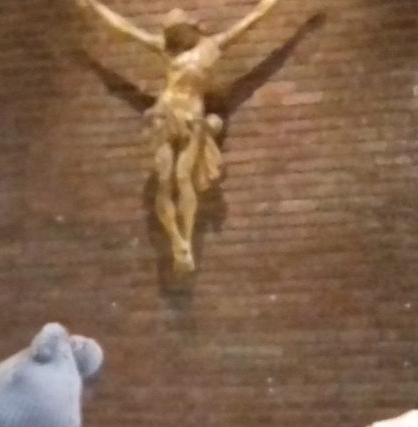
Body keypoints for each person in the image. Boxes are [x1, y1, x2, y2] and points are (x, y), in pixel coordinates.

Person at [75, 0, 285, 273]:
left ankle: (185, 238)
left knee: (184, 177)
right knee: (164, 180)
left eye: (178, 30)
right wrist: (93, 7)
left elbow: (252, 20)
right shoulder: (166, 51)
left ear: (190, 29)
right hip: (165, 115)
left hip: (192, 119)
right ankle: (177, 242)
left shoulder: (211, 48)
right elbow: (125, 30)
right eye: (171, 32)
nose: (175, 36)